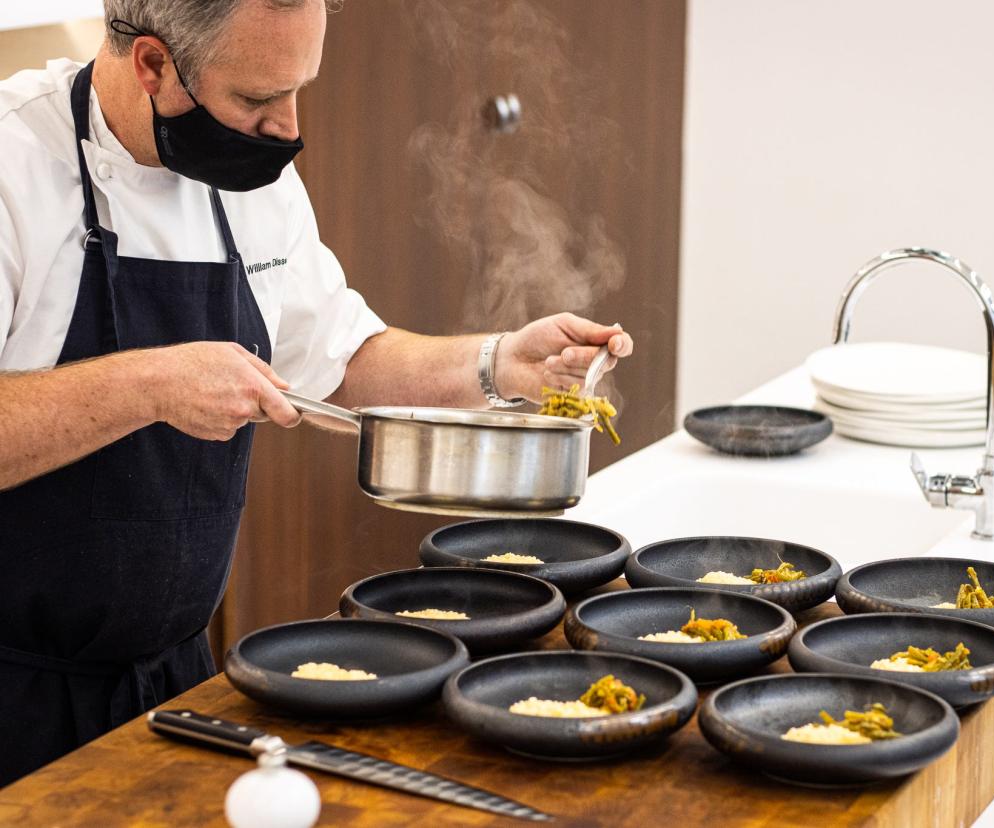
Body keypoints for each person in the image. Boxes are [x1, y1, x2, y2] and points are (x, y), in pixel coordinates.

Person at [0, 0, 633, 786]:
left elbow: (338, 360)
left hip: (172, 682)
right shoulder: (13, 166)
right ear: (153, 64)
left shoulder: (250, 176)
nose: (286, 127)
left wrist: (500, 365)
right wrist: (152, 384)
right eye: (259, 101)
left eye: (300, 89)